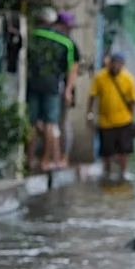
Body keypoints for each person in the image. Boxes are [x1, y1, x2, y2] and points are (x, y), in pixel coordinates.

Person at [26, 7, 78, 172]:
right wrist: (69, 90)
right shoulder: (66, 42)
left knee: (32, 123)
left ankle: (29, 159)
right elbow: (72, 68)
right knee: (50, 123)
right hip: (52, 86)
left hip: (32, 83)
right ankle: (45, 161)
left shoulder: (31, 35)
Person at [87, 53, 135, 182]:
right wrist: (89, 114)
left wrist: (131, 117)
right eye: (113, 62)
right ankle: (107, 171)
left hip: (124, 120)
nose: (115, 66)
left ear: (122, 65)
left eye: (118, 63)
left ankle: (124, 172)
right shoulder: (100, 77)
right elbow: (92, 96)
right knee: (107, 150)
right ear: (109, 63)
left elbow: (133, 100)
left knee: (124, 149)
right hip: (105, 121)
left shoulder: (128, 79)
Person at [54, 11, 82, 167]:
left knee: (63, 123)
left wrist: (68, 90)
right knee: (52, 123)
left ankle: (63, 156)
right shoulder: (54, 41)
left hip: (64, 89)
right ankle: (56, 155)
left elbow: (74, 69)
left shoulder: (69, 45)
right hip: (51, 87)